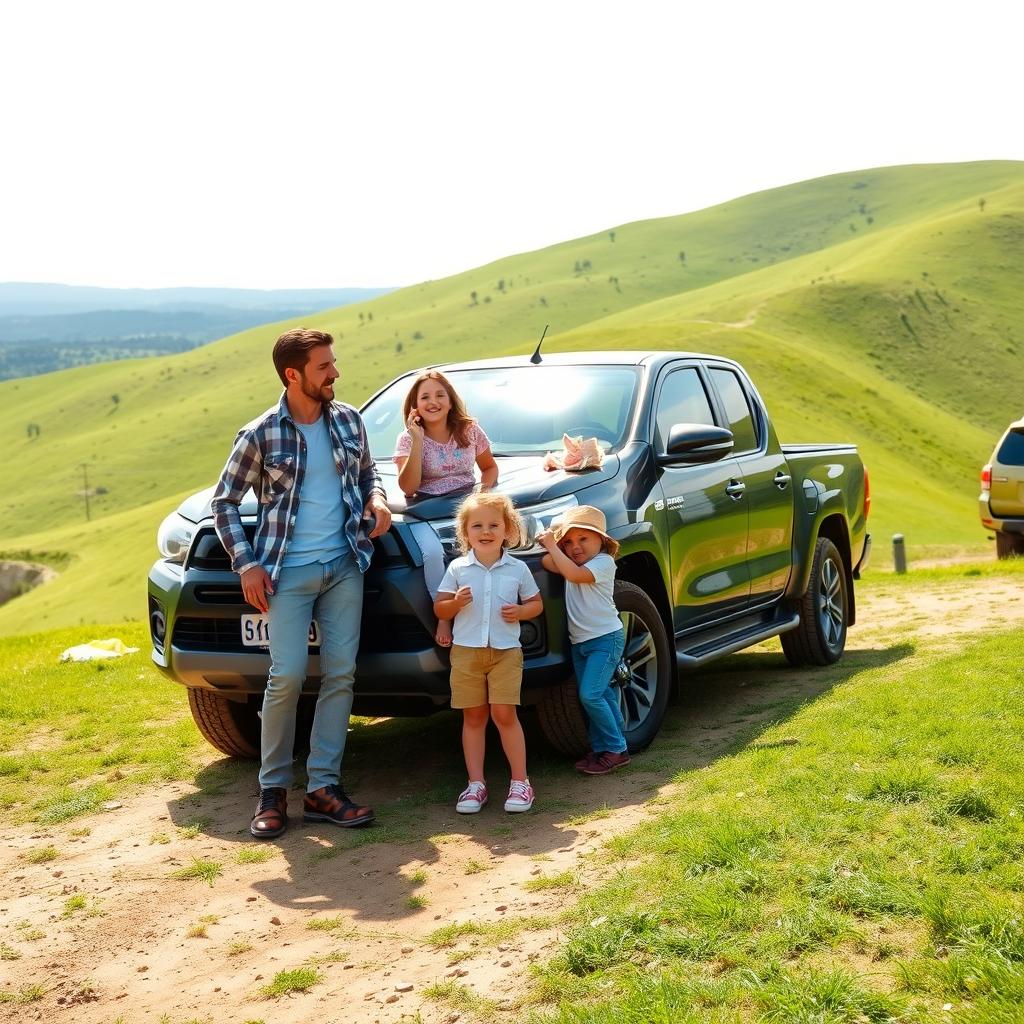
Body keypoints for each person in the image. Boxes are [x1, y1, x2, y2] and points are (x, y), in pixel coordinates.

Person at [211, 327, 392, 839]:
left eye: (333, 363)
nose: (335, 372)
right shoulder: (260, 434)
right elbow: (223, 503)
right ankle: (272, 791)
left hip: (344, 565)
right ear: (293, 375)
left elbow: (368, 472)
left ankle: (323, 789)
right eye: (323, 366)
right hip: (286, 573)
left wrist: (376, 500)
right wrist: (246, 564)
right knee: (286, 677)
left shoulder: (349, 420)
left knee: (341, 675)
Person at [433, 493, 543, 813]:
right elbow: (440, 606)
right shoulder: (457, 568)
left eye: (494, 525)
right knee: (474, 716)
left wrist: (521, 612)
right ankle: (475, 784)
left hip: (506, 652)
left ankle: (521, 782)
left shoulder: (517, 569)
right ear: (465, 532)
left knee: (504, 714)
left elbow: (535, 604)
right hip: (466, 653)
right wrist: (455, 604)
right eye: (477, 525)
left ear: (508, 529)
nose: (486, 531)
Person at [394, 370, 498, 648]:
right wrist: (417, 440)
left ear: (450, 401)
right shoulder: (407, 439)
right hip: (425, 509)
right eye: (425, 396)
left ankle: (484, 615)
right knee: (431, 552)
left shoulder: (469, 430)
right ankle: (444, 614)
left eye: (440, 395)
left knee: (480, 549)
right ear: (415, 406)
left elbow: (489, 467)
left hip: (466, 504)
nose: (433, 401)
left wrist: (483, 493)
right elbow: (408, 488)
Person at [537, 506, 629, 775]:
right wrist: (556, 544)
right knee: (602, 694)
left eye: (583, 539)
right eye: (569, 542)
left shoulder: (602, 563)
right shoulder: (571, 563)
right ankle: (604, 747)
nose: (575, 547)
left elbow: (573, 575)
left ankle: (616, 748)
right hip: (581, 642)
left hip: (605, 638)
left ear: (602, 540)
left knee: (589, 694)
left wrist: (554, 546)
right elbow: (547, 562)